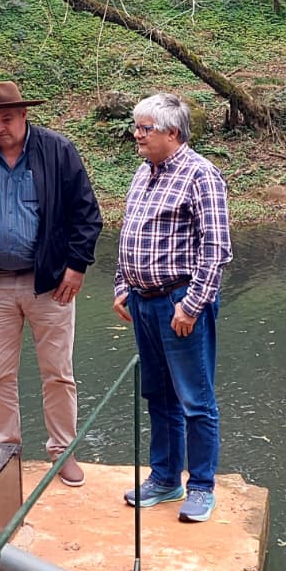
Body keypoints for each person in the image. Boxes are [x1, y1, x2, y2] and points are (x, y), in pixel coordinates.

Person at [0, 80, 102, 485]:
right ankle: (4, 450)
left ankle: (62, 452)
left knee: (58, 372)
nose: (0, 127)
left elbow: (86, 213)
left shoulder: (57, 151)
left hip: (51, 284)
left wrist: (76, 265)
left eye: (7, 119)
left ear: (24, 115)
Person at [113, 92, 232, 523]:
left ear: (172, 133)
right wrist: (122, 284)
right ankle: (165, 478)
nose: (137, 135)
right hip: (143, 304)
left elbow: (216, 249)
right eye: (137, 127)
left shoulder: (202, 176)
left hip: (181, 304)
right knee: (157, 395)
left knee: (195, 400)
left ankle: (201, 486)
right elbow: (130, 231)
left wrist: (193, 305)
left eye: (145, 128)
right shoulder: (142, 174)